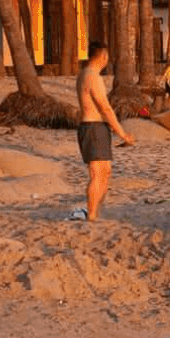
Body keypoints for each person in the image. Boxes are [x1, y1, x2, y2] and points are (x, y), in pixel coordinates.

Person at [74, 42, 135, 221]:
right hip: (93, 128)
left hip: (97, 128)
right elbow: (105, 108)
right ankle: (92, 215)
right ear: (103, 57)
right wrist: (122, 133)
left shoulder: (86, 74)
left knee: (105, 171)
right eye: (107, 57)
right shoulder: (92, 77)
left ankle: (98, 211)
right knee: (97, 173)